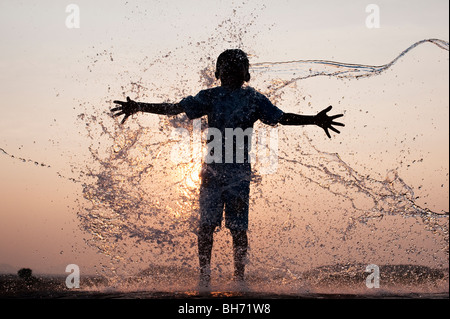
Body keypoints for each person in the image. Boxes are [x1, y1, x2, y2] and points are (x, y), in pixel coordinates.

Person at [111, 49, 344, 289]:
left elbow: (281, 117)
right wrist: (140, 106)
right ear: (217, 72)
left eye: (237, 68)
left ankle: (239, 280)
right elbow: (176, 108)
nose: (231, 72)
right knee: (206, 227)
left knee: (238, 229)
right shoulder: (210, 97)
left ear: (247, 74)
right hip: (211, 174)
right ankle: (204, 280)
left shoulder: (254, 99)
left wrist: (313, 119)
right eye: (227, 68)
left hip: (239, 175)